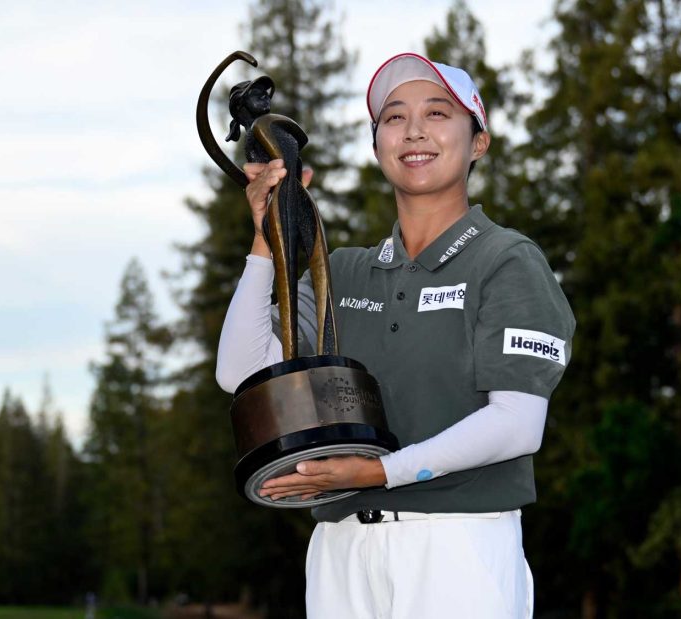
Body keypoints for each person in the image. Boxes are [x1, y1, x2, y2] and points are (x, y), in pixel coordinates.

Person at [216, 52, 575, 619]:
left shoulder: (506, 260)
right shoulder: (345, 270)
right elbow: (240, 374)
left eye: (437, 113)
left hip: (457, 545)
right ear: (378, 144)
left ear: (478, 142)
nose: (414, 131)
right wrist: (265, 239)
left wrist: (380, 472)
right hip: (341, 551)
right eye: (394, 117)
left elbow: (517, 424)